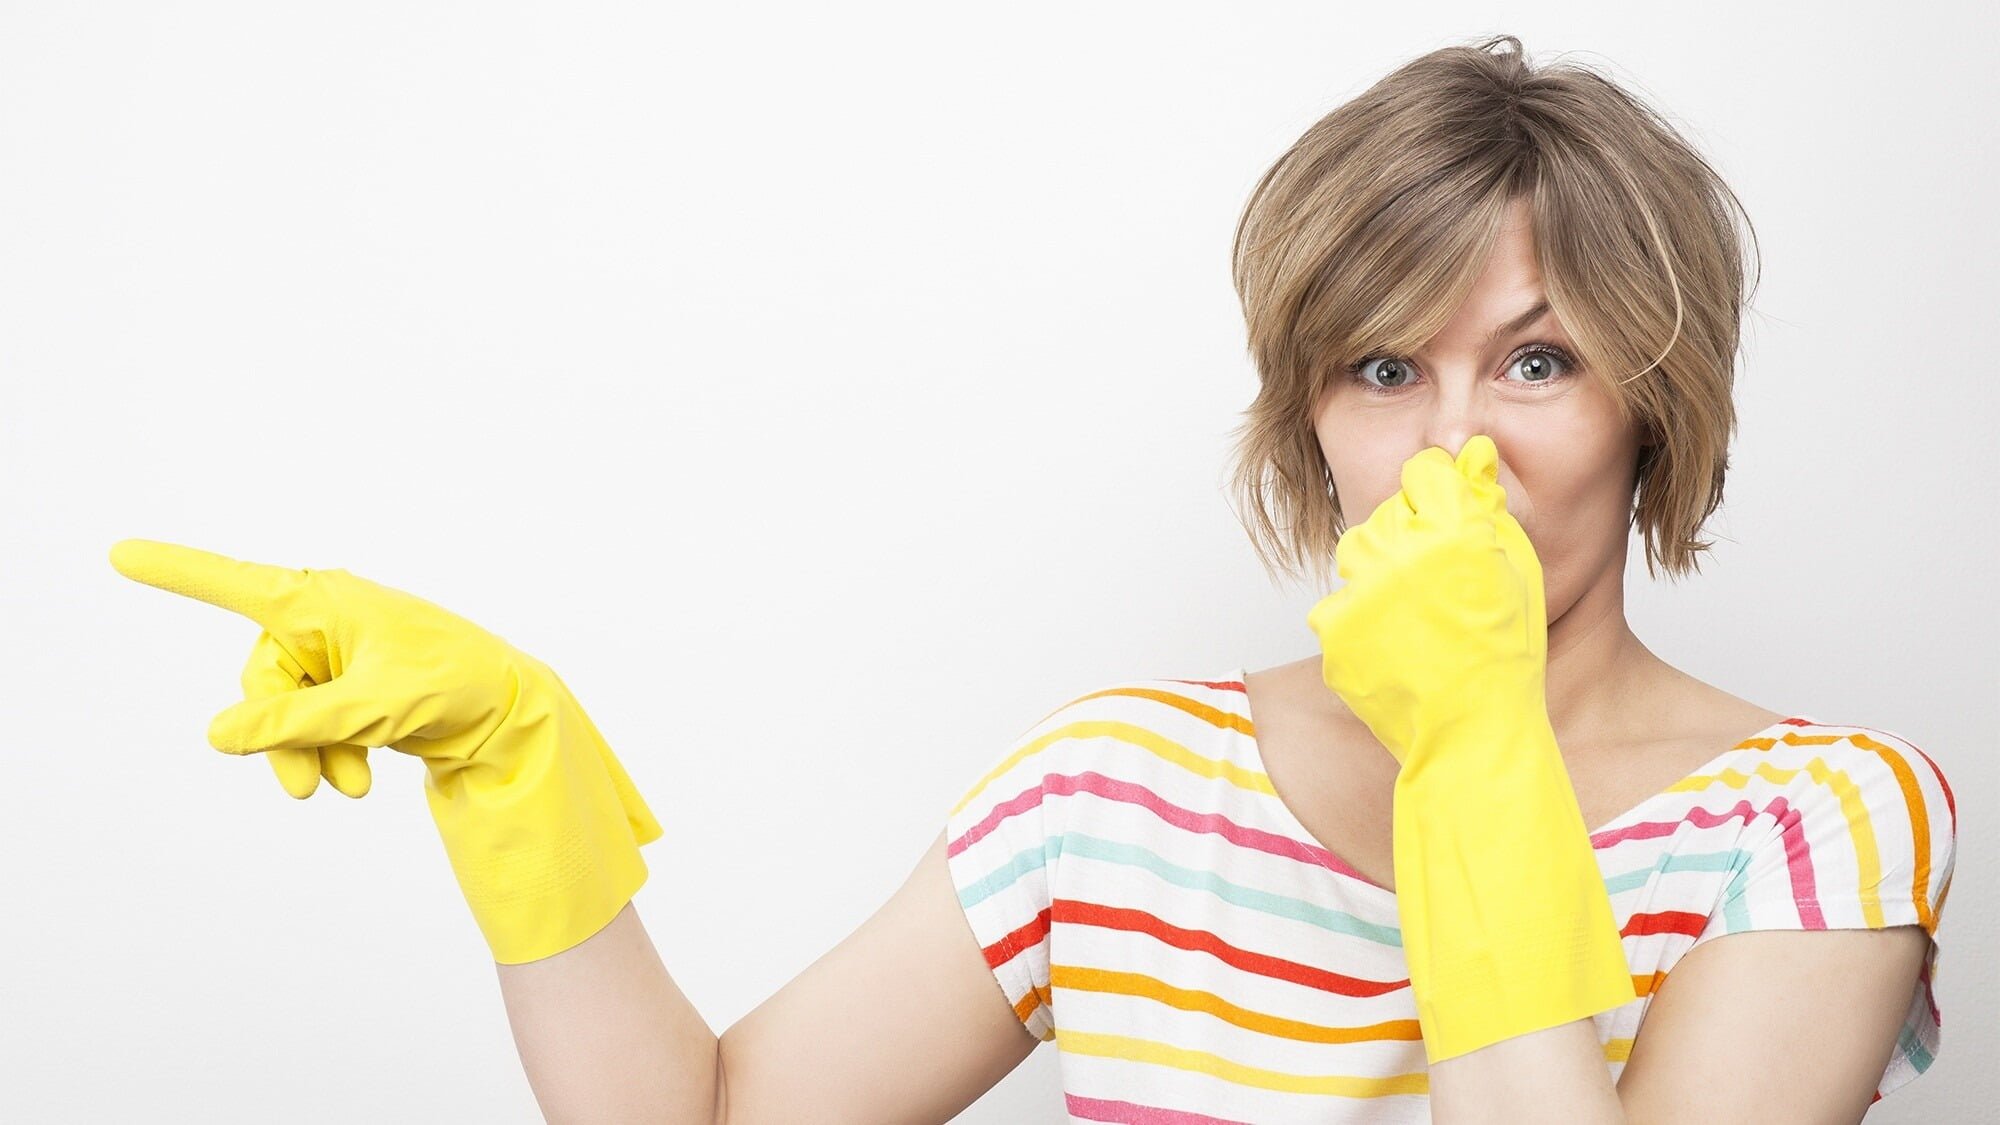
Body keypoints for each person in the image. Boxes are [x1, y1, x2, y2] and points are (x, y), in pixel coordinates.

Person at [111, 34, 1956, 1124]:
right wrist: (522, 766)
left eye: (1537, 361)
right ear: (1310, 416)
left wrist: (1474, 746)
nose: (1453, 449)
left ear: (1656, 401)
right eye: (1385, 367)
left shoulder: (1817, 821)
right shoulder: (1115, 790)